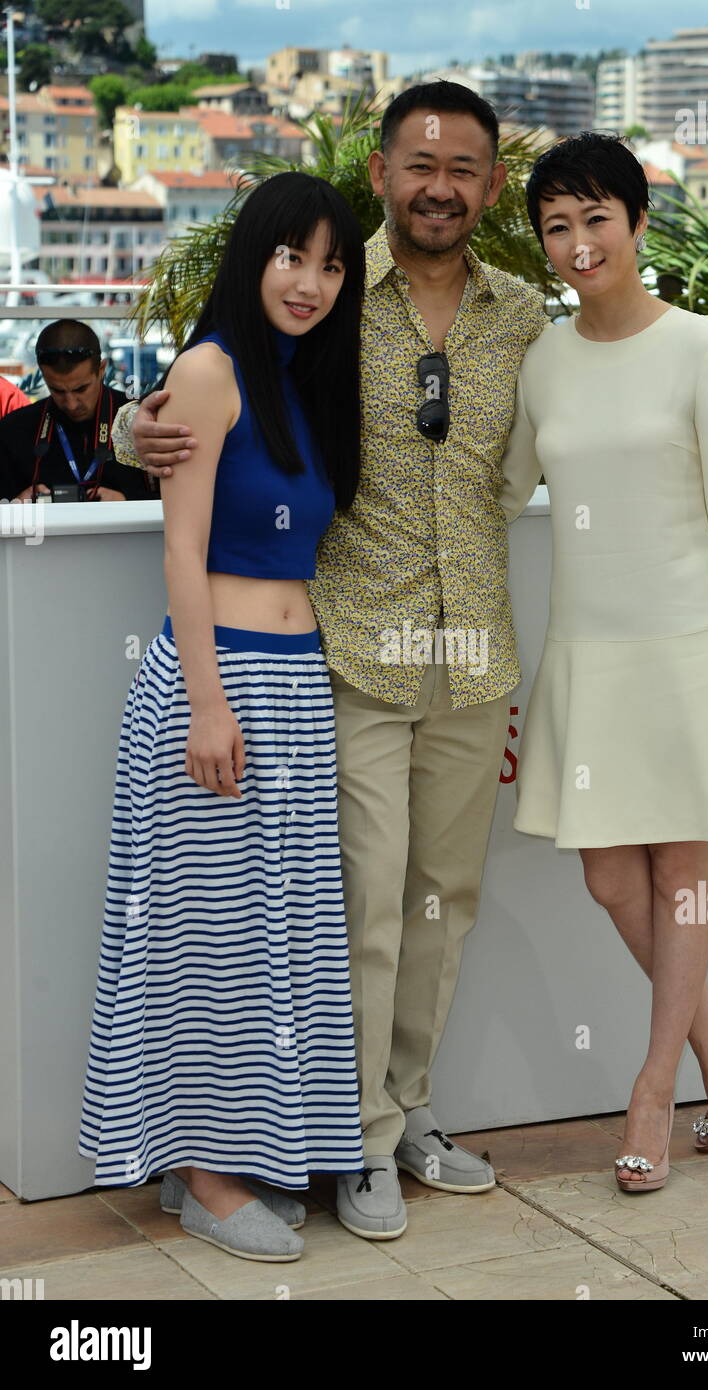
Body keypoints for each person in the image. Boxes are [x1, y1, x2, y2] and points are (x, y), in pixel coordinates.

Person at [109, 83, 708, 1239]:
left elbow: (621, 381)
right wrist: (125, 428)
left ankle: (410, 1112)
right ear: (381, 172)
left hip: (474, 659)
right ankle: (354, 1140)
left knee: (441, 905)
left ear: (491, 186)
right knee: (364, 906)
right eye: (421, 162)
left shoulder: (525, 317)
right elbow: (215, 380)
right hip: (353, 649)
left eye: (464, 166)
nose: (440, 185)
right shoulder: (327, 291)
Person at [77, 170, 367, 1262]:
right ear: (253, 257)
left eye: (333, 263)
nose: (311, 281)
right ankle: (201, 1174)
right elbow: (179, 551)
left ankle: (234, 1154)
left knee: (266, 938)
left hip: (296, 688)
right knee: (206, 939)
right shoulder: (209, 370)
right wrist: (205, 700)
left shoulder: (309, 379)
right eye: (292, 256)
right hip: (221, 683)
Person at [498, 134, 708, 1194]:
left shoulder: (705, 348)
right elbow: (499, 485)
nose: (578, 246)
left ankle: (653, 1084)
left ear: (637, 223)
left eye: (596, 221)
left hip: (692, 643)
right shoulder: (543, 359)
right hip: (589, 651)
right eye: (557, 229)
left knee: (686, 870)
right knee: (610, 874)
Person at [0, 320, 152, 503]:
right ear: (43, 374)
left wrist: (128, 502)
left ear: (102, 369)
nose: (71, 404)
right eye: (57, 390)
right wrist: (14, 504)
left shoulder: (141, 419)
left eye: (81, 389)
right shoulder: (14, 429)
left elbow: (180, 501)